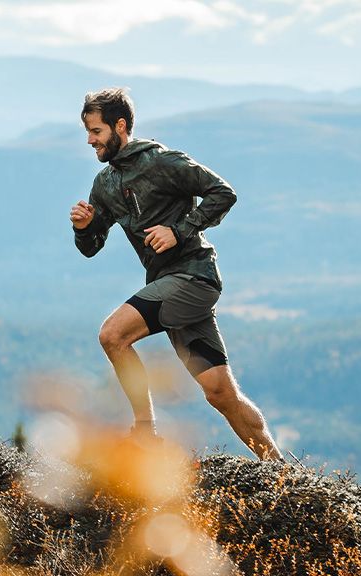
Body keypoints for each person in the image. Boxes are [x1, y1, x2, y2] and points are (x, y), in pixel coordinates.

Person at [69, 88, 283, 461]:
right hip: (168, 288)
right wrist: (85, 227)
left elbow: (222, 193)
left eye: (97, 131)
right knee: (220, 393)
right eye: (88, 132)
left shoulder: (163, 162)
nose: (90, 140)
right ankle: (281, 470)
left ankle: (144, 433)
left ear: (120, 126)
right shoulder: (104, 184)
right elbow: (91, 247)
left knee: (112, 335)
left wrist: (178, 230)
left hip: (194, 277)